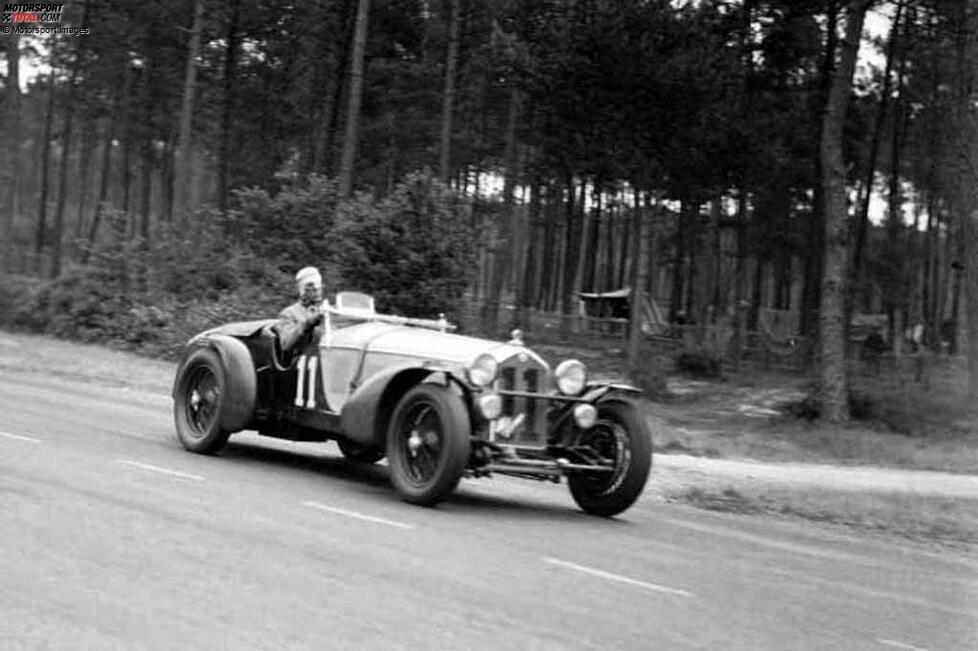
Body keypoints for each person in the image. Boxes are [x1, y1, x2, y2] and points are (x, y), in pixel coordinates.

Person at [274, 266, 327, 354]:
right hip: (302, 361)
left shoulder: (328, 311)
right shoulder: (289, 313)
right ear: (301, 289)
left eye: (318, 284)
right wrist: (307, 324)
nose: (316, 288)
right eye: (310, 285)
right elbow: (286, 343)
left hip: (330, 359)